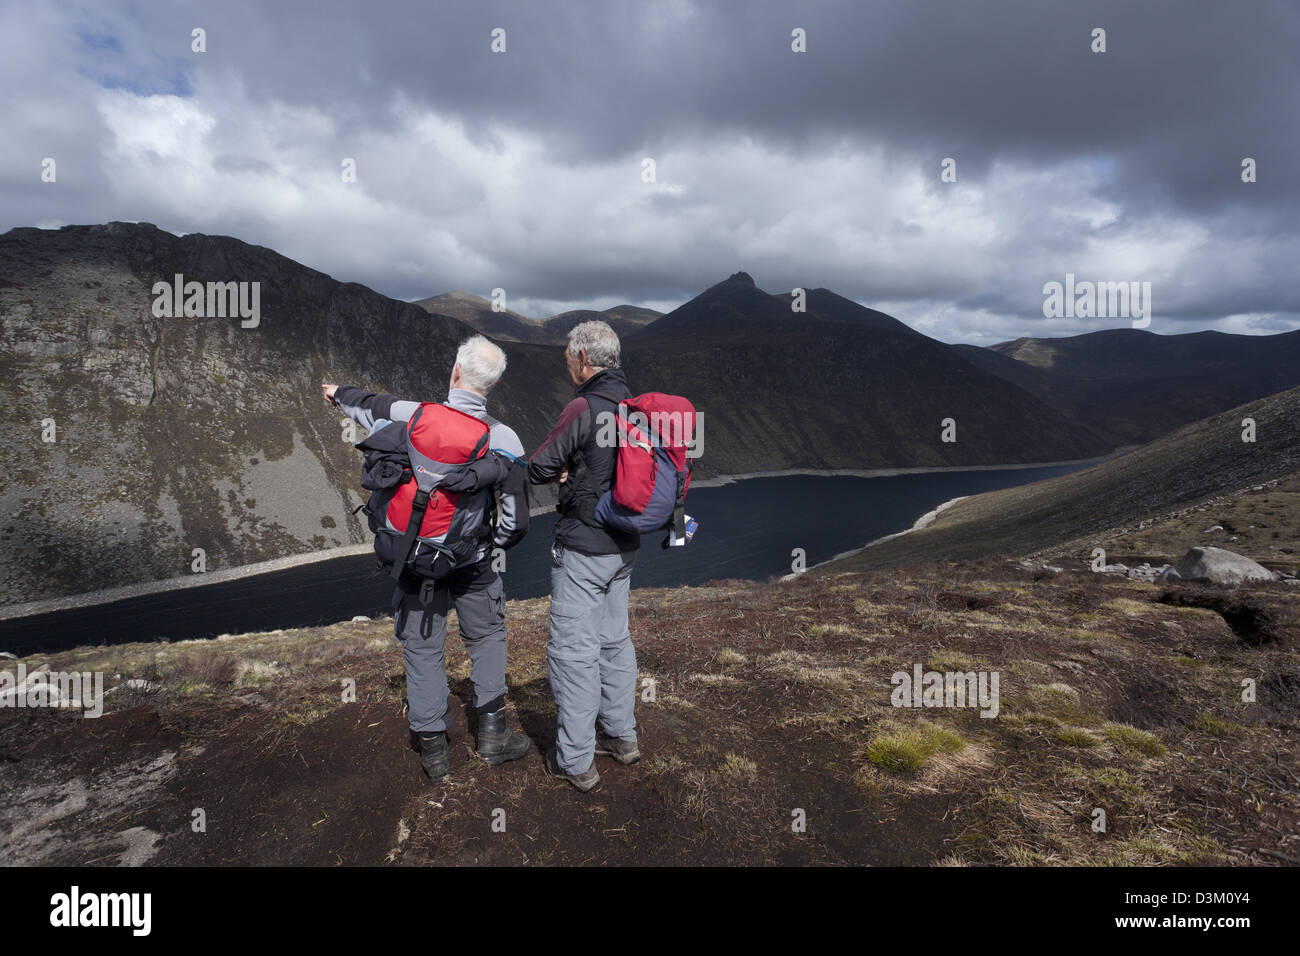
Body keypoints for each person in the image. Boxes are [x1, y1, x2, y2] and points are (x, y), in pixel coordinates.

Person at [321, 335, 531, 781]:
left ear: (456, 371)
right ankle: (493, 738)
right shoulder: (504, 439)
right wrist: (492, 546)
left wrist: (337, 394)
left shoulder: (413, 414)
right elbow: (514, 521)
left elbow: (369, 406)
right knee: (488, 637)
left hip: (417, 560)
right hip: (472, 562)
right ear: (492, 385)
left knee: (421, 647)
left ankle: (435, 751)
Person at [527, 320, 641, 792]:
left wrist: (562, 472)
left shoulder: (584, 405)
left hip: (584, 547)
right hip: (625, 547)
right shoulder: (634, 408)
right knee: (614, 641)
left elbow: (539, 466)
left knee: (574, 652)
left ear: (581, 358)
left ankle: (575, 761)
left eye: (568, 357)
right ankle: (621, 737)